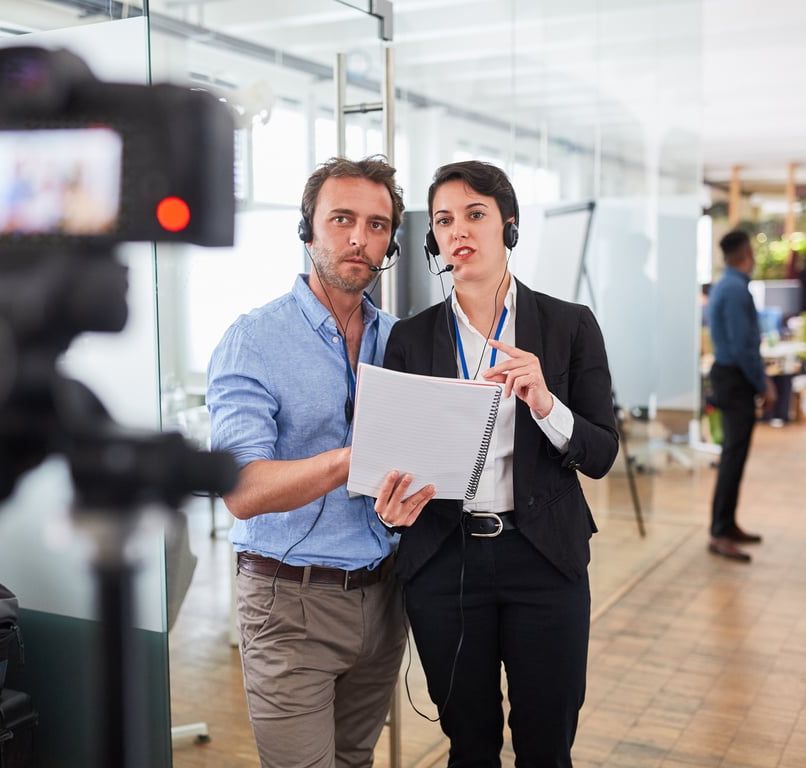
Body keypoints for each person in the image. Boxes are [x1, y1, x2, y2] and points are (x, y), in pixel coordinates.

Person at [374, 160, 620, 766]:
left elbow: (602, 453)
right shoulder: (410, 338)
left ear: (507, 224)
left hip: (544, 558)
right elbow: (395, 456)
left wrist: (546, 402)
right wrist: (391, 505)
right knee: (470, 743)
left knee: (546, 743)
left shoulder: (568, 326)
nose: (459, 230)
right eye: (443, 220)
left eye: (475, 214)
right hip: (445, 560)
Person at [206, 155, 429, 768]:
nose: (360, 238)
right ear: (307, 229)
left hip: (385, 600)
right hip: (289, 604)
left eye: (379, 225)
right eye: (342, 219)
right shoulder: (255, 339)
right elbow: (243, 488)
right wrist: (352, 461)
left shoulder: (401, 340)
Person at [705, 230, 777, 563]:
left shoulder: (726, 284)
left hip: (729, 376)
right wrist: (763, 383)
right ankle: (720, 531)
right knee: (733, 456)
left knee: (734, 455)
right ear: (747, 252)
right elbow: (743, 345)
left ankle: (727, 523)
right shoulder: (736, 290)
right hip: (735, 379)